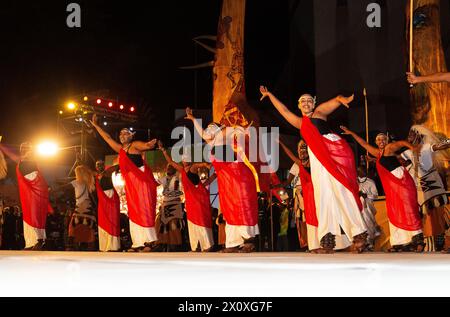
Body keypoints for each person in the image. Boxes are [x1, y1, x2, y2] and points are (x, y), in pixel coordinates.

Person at [260, 87, 367, 253]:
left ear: (314, 103)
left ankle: (359, 233)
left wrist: (341, 99)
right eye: (303, 101)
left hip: (330, 153)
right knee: (322, 196)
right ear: (299, 105)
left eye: (309, 100)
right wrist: (269, 95)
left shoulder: (318, 113)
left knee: (341, 190)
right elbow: (283, 110)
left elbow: (335, 100)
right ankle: (327, 240)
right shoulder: (300, 122)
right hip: (316, 157)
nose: (306, 103)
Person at [185, 107, 259, 252]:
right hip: (227, 180)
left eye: (211, 127)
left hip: (238, 177)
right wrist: (193, 119)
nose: (208, 130)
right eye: (207, 128)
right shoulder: (214, 142)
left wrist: (242, 128)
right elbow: (204, 134)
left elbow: (240, 130)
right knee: (229, 208)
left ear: (219, 127)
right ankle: (232, 243)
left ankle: (248, 240)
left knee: (241, 206)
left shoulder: (226, 133)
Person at [341, 128, 424, 252]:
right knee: (394, 212)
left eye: (383, 139)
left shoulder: (389, 148)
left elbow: (401, 143)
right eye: (378, 139)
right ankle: (400, 242)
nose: (381, 141)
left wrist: (412, 147)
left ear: (387, 140)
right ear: (376, 142)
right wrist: (352, 133)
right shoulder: (378, 154)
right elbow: (364, 144)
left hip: (402, 184)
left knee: (407, 209)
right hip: (393, 189)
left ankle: (418, 240)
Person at [90, 114, 160, 252]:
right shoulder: (121, 150)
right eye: (121, 134)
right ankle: (138, 243)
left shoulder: (134, 145)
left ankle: (150, 241)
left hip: (141, 182)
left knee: (143, 210)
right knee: (133, 212)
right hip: (131, 184)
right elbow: (107, 138)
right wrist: (96, 126)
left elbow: (144, 145)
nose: (122, 135)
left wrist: (148, 145)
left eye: (126, 133)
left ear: (131, 136)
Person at [159, 141, 216, 252]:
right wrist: (164, 151)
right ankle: (196, 246)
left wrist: (206, 165)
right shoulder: (181, 170)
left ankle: (207, 245)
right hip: (190, 200)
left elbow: (200, 164)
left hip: (198, 198)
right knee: (192, 221)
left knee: (201, 220)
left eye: (187, 159)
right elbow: (170, 161)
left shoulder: (193, 167)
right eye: (184, 159)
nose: (185, 161)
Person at [401, 125, 450, 252]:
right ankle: (430, 244)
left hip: (433, 187)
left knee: (438, 215)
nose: (409, 136)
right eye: (409, 133)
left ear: (418, 135)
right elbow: (396, 162)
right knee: (425, 216)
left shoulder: (427, 148)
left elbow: (441, 145)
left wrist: (447, 142)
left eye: (412, 133)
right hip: (420, 189)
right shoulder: (407, 152)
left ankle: (443, 243)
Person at [1, 142, 52, 250]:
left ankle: (39, 239)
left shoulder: (32, 160)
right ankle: (32, 241)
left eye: (26, 147)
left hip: (36, 189)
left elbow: (37, 176)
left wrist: (43, 186)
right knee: (29, 215)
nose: (24, 149)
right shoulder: (21, 160)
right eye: (22, 147)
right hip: (30, 190)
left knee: (34, 214)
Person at [156, 163, 184, 251]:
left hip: (174, 204)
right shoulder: (164, 179)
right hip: (165, 204)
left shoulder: (177, 178)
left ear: (175, 169)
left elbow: (175, 190)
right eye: (168, 167)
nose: (169, 168)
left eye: (171, 167)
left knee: (173, 225)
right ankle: (162, 243)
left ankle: (175, 245)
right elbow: (153, 183)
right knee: (160, 223)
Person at [95, 160, 121, 252]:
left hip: (110, 198)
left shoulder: (108, 172)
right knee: (103, 221)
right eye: (98, 165)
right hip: (102, 201)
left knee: (111, 221)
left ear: (104, 165)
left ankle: (113, 246)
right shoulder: (96, 176)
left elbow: (119, 165)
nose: (99, 166)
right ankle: (104, 246)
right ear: (96, 167)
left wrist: (118, 169)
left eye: (101, 164)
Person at [357, 166, 381, 251]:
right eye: (360, 171)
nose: (362, 172)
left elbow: (375, 195)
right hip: (358, 207)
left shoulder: (370, 182)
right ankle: (361, 242)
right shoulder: (354, 181)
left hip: (368, 207)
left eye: (363, 171)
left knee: (368, 222)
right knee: (360, 223)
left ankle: (369, 243)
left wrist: (366, 196)